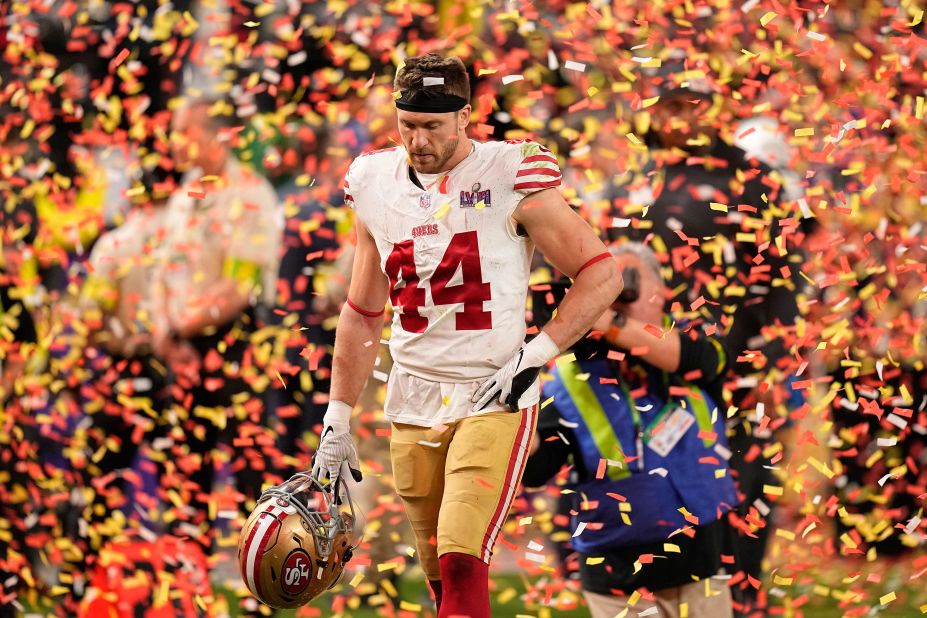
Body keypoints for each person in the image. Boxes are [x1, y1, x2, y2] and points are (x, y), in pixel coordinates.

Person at [310, 53, 621, 618]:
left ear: (465, 116)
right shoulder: (373, 180)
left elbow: (602, 274)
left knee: (460, 556)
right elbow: (362, 309)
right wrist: (337, 413)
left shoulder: (510, 172)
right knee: (441, 581)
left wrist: (537, 354)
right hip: (413, 396)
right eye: (408, 124)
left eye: (432, 125)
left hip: (493, 392)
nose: (418, 139)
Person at [523, 242, 737, 618]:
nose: (616, 298)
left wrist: (605, 320)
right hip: (614, 572)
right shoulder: (569, 377)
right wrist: (515, 418)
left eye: (627, 285)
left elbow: (696, 360)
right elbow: (538, 470)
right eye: (603, 287)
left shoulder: (693, 343)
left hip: (699, 561)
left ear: (662, 291)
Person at [155, 95, 282, 547]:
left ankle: (264, 584)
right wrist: (167, 335)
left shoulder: (249, 193)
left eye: (183, 131)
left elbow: (239, 286)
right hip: (184, 345)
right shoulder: (183, 193)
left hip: (237, 342)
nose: (173, 141)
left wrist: (182, 329)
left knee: (251, 465)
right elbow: (166, 272)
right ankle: (187, 579)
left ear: (215, 135)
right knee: (186, 466)